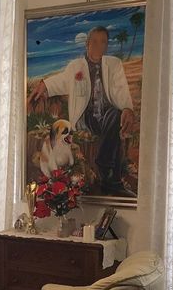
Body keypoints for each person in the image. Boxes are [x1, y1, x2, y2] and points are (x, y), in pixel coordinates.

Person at [28, 26, 138, 197]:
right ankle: (113, 181)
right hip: (87, 118)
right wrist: (45, 84)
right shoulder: (76, 66)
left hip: (107, 117)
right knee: (114, 127)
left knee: (115, 116)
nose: (99, 46)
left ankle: (105, 167)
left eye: (103, 42)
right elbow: (62, 81)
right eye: (95, 41)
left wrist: (127, 108)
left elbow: (121, 90)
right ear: (87, 44)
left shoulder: (114, 64)